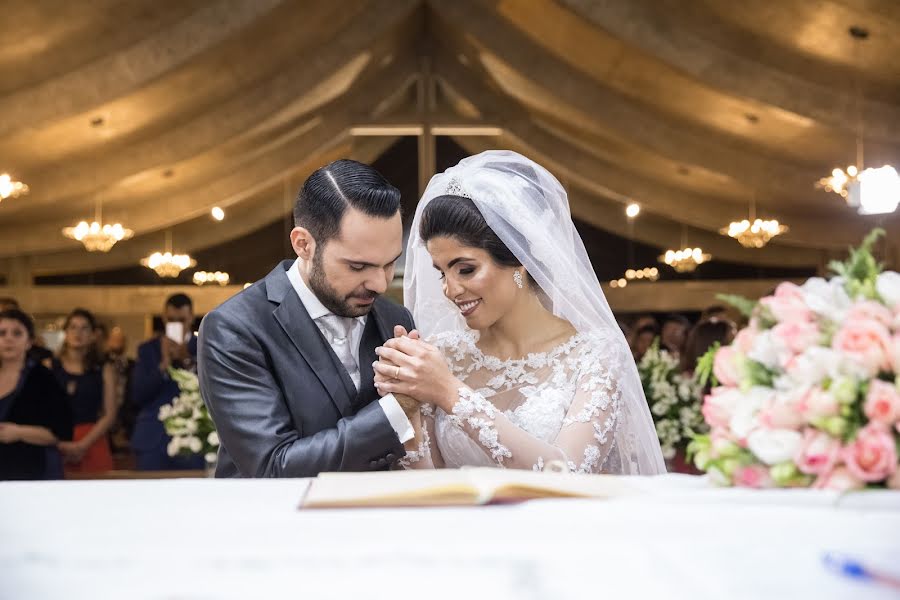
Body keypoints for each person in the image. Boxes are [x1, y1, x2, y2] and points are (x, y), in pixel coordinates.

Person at [374, 150, 665, 474]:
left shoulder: (595, 354)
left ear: (520, 260)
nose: (450, 289)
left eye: (466, 270)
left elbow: (569, 472)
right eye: (443, 273)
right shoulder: (444, 354)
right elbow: (428, 479)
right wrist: (408, 409)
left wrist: (449, 392)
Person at [198, 159, 416, 477]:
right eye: (358, 266)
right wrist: (397, 410)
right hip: (275, 521)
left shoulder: (396, 317)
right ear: (304, 244)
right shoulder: (234, 328)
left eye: (389, 264)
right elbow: (271, 468)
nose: (380, 284)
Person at [131, 294, 204, 470]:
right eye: (171, 320)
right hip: (153, 439)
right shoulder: (148, 350)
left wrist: (186, 359)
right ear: (164, 318)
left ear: (191, 318)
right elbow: (137, 395)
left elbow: (211, 391)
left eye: (182, 320)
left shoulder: (203, 347)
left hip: (193, 438)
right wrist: (164, 364)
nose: (177, 325)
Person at [50, 308, 117, 475]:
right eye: (72, 327)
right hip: (55, 439)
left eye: (84, 328)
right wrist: (59, 443)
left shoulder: (104, 368)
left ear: (94, 334)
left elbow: (110, 414)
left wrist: (82, 445)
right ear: (65, 333)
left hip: (92, 438)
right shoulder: (50, 366)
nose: (77, 333)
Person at [105, 327, 136, 458]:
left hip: (127, 420)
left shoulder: (133, 365)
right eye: (114, 340)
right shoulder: (101, 364)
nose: (117, 343)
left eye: (120, 340)